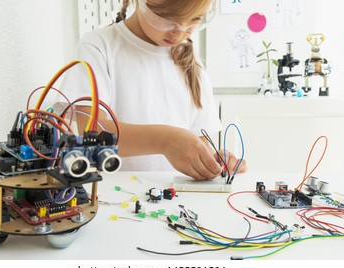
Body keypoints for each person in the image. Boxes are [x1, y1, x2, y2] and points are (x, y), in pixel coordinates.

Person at [59, 0, 247, 180]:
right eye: (166, 19)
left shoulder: (192, 64)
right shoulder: (99, 47)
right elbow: (90, 131)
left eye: (194, 19)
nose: (179, 33)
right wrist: (165, 141)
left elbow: (198, 140)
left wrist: (212, 161)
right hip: (114, 199)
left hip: (175, 201)